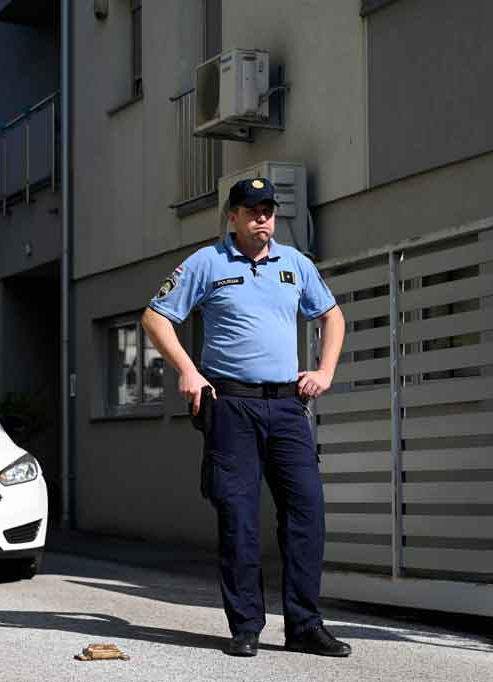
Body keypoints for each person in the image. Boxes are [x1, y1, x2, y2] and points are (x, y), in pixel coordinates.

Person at [141, 178, 351, 658]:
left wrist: (325, 371)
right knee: (239, 518)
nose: (263, 218)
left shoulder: (295, 264)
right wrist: (190, 372)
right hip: (231, 407)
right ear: (231, 216)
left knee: (307, 513)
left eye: (268, 210)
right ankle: (246, 626)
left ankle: (304, 625)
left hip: (286, 407)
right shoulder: (206, 263)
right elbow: (156, 317)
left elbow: (332, 316)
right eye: (252, 210)